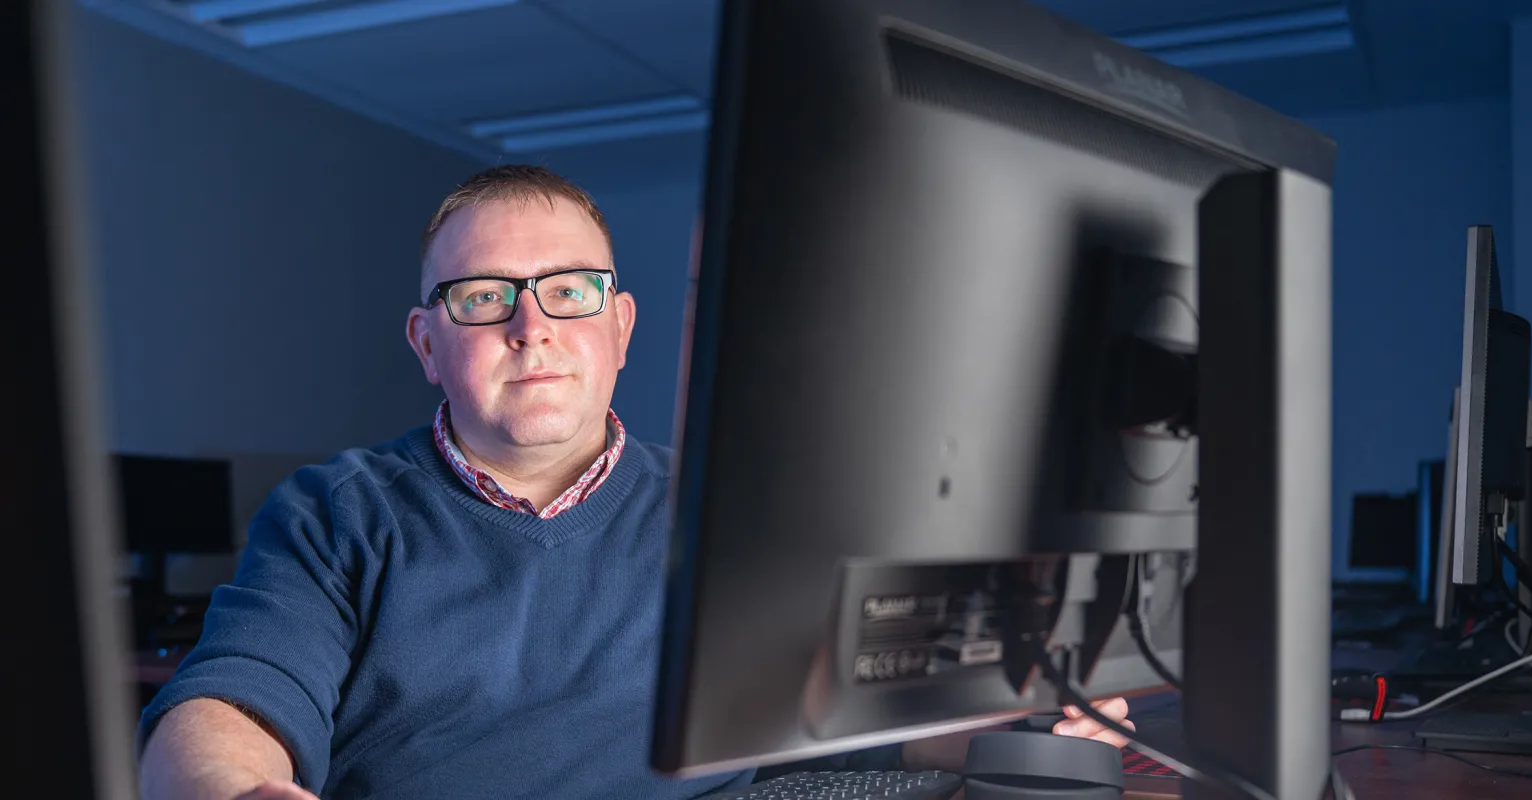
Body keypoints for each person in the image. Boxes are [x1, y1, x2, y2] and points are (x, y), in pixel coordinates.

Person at [135, 165, 1135, 800]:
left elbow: (809, 728)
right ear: (427, 343)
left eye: (570, 293)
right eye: (483, 298)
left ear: (618, 327)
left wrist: (1020, 720)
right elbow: (236, 696)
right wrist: (233, 786)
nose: (532, 329)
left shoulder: (718, 507)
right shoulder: (335, 510)